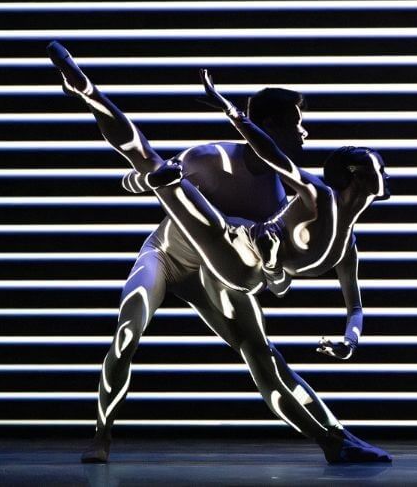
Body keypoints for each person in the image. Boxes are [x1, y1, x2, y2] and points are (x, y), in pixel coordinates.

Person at [47, 42, 392, 464]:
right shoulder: (213, 158)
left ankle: (334, 440)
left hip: (218, 270)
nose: (304, 133)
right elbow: (143, 165)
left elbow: (277, 269)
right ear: (267, 125)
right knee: (127, 333)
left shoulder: (283, 193)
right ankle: (102, 434)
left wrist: (274, 269)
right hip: (167, 254)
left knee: (264, 357)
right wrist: (141, 179)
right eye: (295, 123)